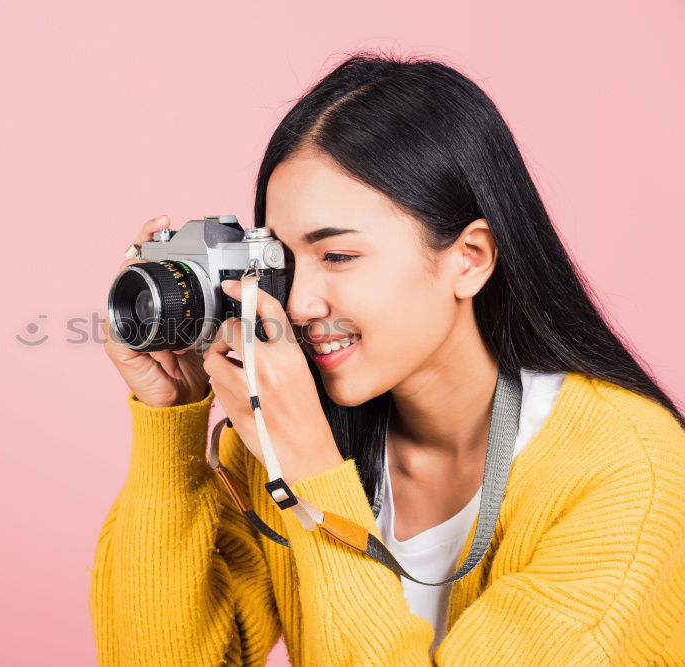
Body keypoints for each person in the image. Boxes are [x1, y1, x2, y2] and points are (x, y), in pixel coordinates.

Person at [89, 52, 685, 665]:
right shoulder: (288, 431)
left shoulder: (630, 472)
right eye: (283, 262)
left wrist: (313, 480)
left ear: (470, 258)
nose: (296, 302)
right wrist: (174, 424)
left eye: (339, 257)